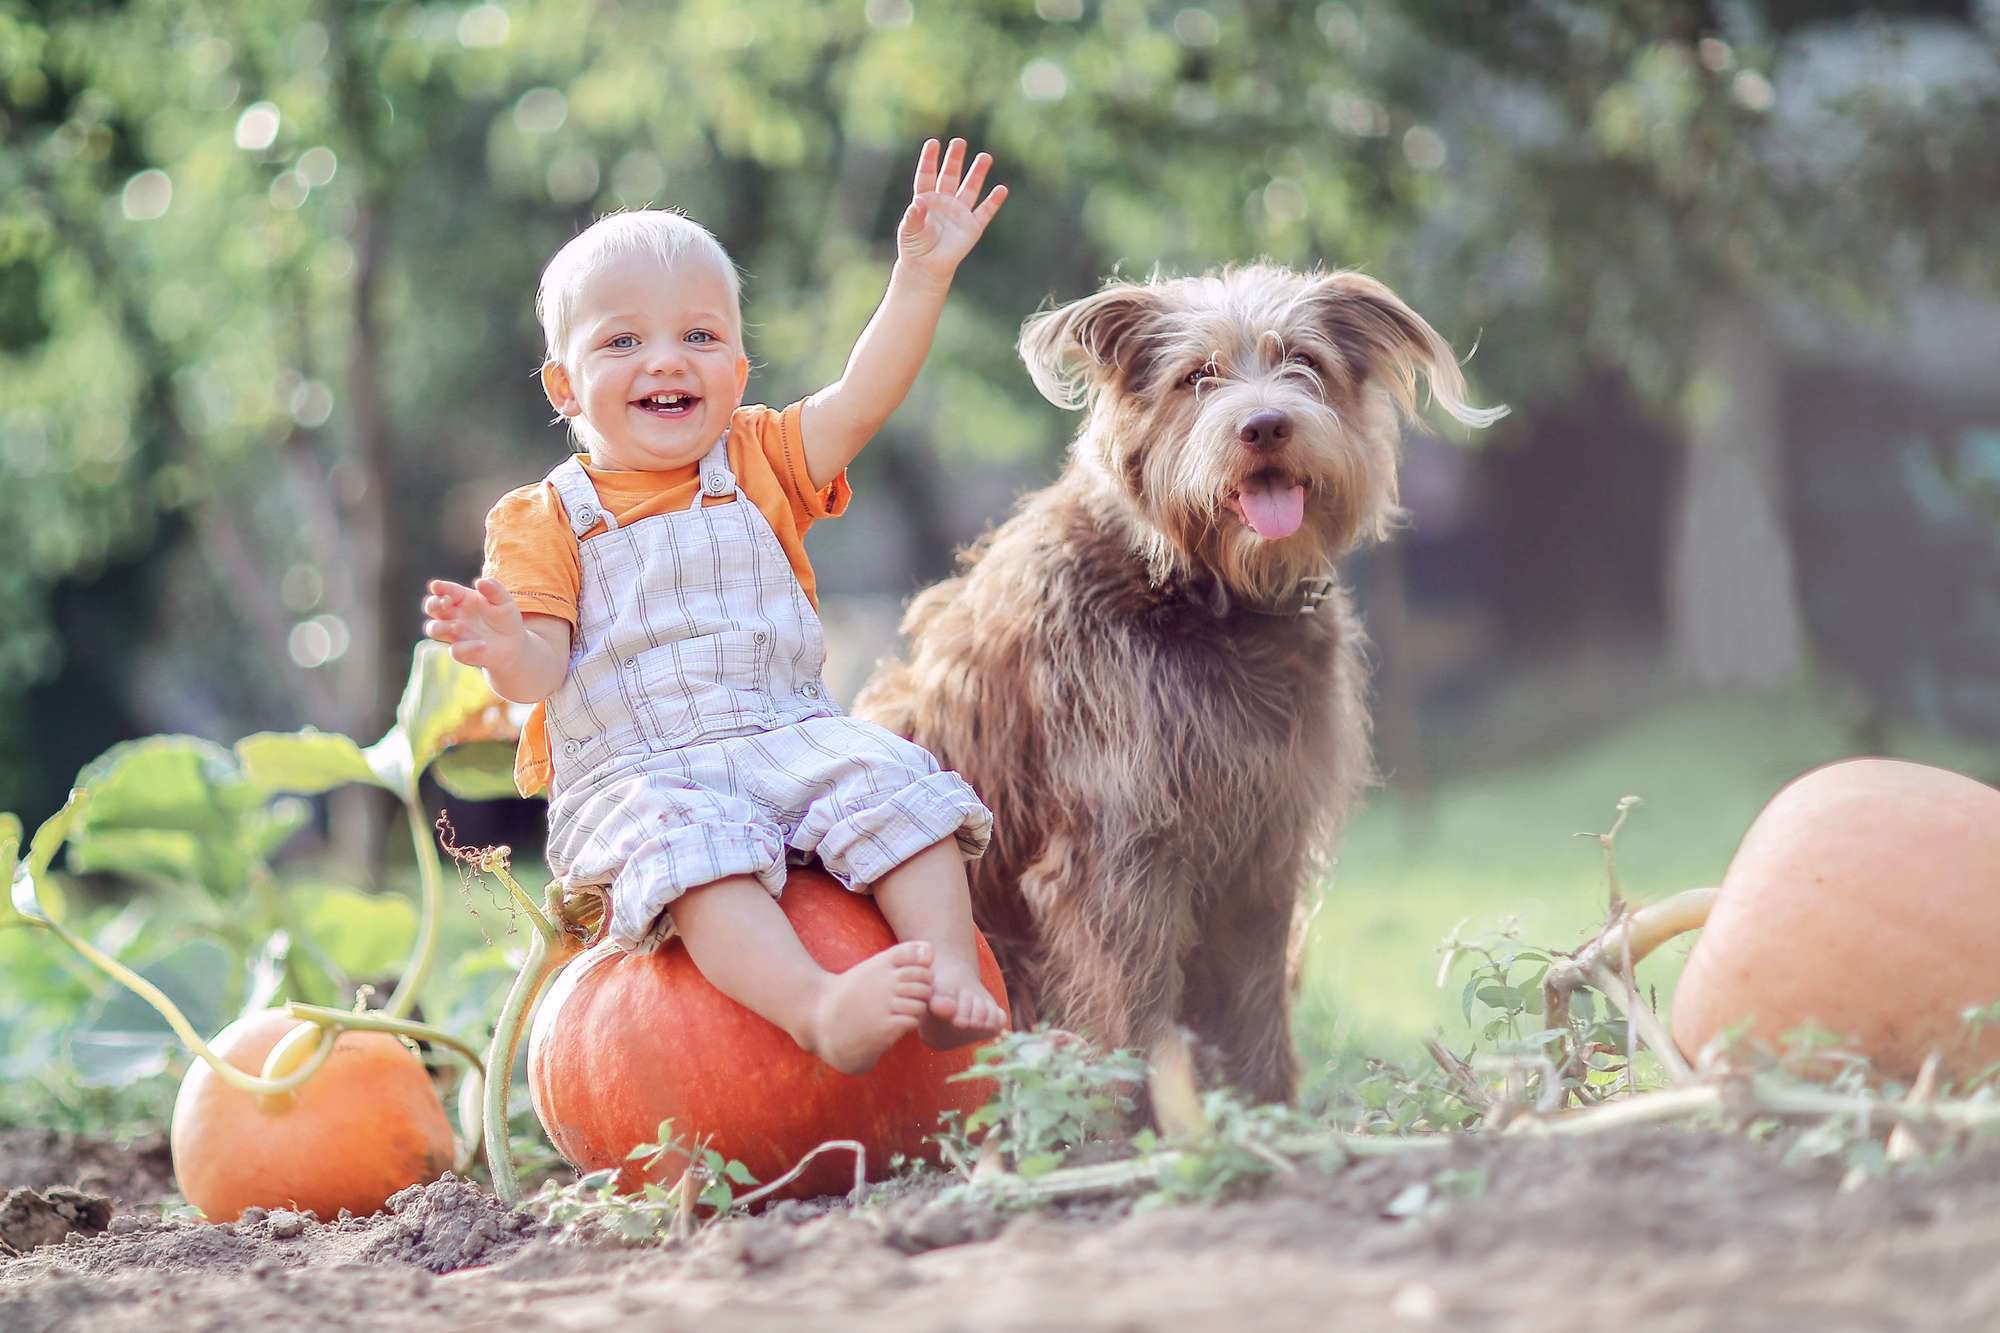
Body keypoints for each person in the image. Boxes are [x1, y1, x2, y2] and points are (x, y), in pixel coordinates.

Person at [422, 139, 1008, 1075]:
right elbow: (542, 668)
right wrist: (501, 646)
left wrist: (920, 278)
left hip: (785, 731)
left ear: (737, 370)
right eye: (624, 341)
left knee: (899, 782)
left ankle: (943, 967)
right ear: (564, 385)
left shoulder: (761, 460)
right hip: (642, 776)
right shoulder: (542, 519)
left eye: (699, 336)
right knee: (700, 856)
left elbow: (861, 400)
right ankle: (815, 1004)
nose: (668, 360)